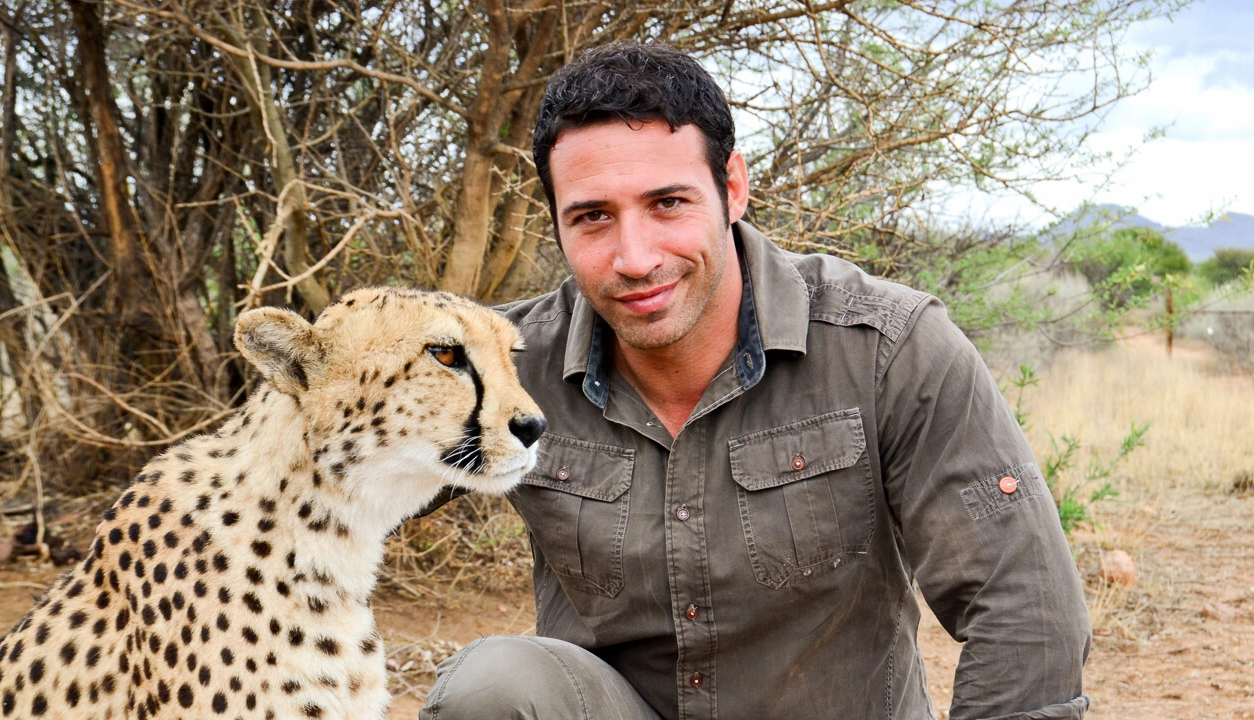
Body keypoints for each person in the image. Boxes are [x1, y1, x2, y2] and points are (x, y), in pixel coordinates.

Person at [419, 42, 1091, 720]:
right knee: (493, 689)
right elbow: (327, 480)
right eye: (593, 216)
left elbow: (1025, 607)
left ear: (732, 188)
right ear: (557, 221)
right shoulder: (500, 366)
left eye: (668, 203)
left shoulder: (888, 348)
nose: (635, 257)